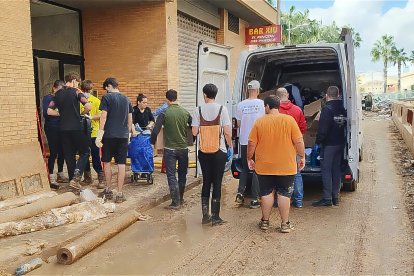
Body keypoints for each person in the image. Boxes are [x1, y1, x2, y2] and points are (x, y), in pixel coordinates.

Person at [247, 95, 305, 233]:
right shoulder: (289, 120)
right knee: (284, 194)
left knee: (266, 193)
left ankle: (265, 222)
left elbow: (251, 143)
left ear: (267, 106)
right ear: (278, 106)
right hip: (286, 166)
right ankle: (285, 224)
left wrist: (249, 158)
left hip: (264, 166)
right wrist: (302, 156)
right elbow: (299, 141)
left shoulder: (259, 122)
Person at [192, 83, 233, 226]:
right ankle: (215, 217)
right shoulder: (222, 109)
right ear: (216, 94)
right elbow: (227, 132)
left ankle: (205, 216)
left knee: (206, 182)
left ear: (204, 95)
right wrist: (231, 146)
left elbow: (194, 132)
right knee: (217, 183)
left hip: (203, 152)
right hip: (219, 152)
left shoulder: (197, 110)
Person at [95, 77, 137, 203]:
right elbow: (130, 119)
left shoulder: (107, 97)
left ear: (109, 86)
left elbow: (103, 117)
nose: (106, 91)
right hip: (123, 136)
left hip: (109, 135)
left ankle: (108, 190)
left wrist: (100, 134)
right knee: (121, 164)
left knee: (107, 162)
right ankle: (119, 193)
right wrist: (128, 134)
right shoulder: (127, 99)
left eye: (106, 88)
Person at [48, 73, 91, 190]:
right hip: (76, 127)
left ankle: (73, 184)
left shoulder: (57, 94)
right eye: (77, 82)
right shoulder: (76, 91)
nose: (78, 84)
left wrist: (61, 114)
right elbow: (88, 106)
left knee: (69, 155)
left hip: (62, 129)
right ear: (73, 80)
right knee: (85, 151)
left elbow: (49, 111)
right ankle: (76, 177)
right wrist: (81, 114)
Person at [151, 89, 191, 209]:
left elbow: (155, 130)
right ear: (176, 97)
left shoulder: (164, 113)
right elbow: (193, 127)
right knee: (182, 174)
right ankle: (181, 198)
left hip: (170, 150)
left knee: (171, 175)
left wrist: (152, 142)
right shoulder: (185, 112)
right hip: (183, 149)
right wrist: (190, 141)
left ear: (167, 99)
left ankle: (175, 202)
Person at [312, 86, 346, 207]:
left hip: (329, 144)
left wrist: (318, 142)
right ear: (338, 95)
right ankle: (335, 197)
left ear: (327, 95)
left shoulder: (327, 109)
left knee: (326, 170)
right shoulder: (343, 107)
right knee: (336, 169)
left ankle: (327, 198)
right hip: (340, 143)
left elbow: (323, 130)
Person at [235, 80, 265, 209]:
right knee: (257, 169)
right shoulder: (262, 104)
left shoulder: (240, 105)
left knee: (245, 168)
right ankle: (254, 199)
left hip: (244, 141)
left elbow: (239, 124)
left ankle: (240, 193)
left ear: (248, 90)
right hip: (258, 141)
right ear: (258, 91)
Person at [276, 87, 307, 208]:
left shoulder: (275, 111)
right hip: (294, 146)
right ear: (288, 95)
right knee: (296, 173)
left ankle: (277, 201)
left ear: (277, 97)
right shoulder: (297, 110)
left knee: (277, 173)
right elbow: (303, 127)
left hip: (277, 146)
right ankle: (298, 200)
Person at [43, 80, 68, 189]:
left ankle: (60, 173)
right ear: (54, 88)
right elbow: (47, 113)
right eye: (59, 89)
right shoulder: (49, 98)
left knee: (62, 150)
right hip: (51, 127)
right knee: (54, 151)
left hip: (61, 127)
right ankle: (51, 176)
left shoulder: (61, 98)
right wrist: (62, 113)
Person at [80, 80, 105, 188]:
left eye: (87, 90)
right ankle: (87, 177)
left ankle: (100, 177)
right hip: (83, 132)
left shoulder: (96, 101)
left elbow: (101, 115)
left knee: (95, 156)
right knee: (84, 155)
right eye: (85, 90)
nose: (86, 92)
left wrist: (91, 117)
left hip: (93, 132)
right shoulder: (79, 101)